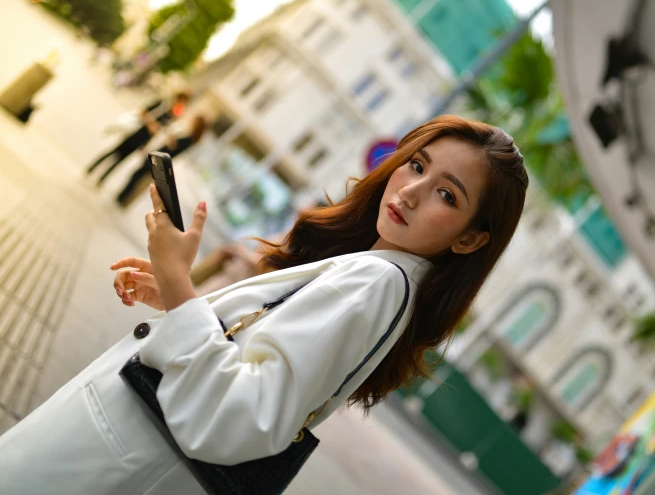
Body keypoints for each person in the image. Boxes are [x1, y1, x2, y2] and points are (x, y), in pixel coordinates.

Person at [0, 115, 529, 494]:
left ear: (469, 240)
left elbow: (245, 415)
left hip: (110, 464)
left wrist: (179, 279)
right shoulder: (377, 276)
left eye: (447, 195)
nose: (412, 191)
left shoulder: (378, 284)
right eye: (417, 165)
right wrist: (184, 301)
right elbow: (253, 369)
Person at [85, 90, 192, 185]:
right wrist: (152, 125)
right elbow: (143, 112)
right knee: (114, 152)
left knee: (121, 160)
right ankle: (91, 168)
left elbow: (162, 131)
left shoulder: (172, 116)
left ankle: (102, 179)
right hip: (136, 132)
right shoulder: (162, 104)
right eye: (181, 101)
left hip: (143, 139)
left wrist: (147, 144)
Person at [115, 115, 209, 206]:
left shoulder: (189, 139)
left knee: (137, 175)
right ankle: (122, 197)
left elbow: (173, 147)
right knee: (138, 175)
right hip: (159, 157)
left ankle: (122, 197)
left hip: (159, 159)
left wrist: (171, 139)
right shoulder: (189, 137)